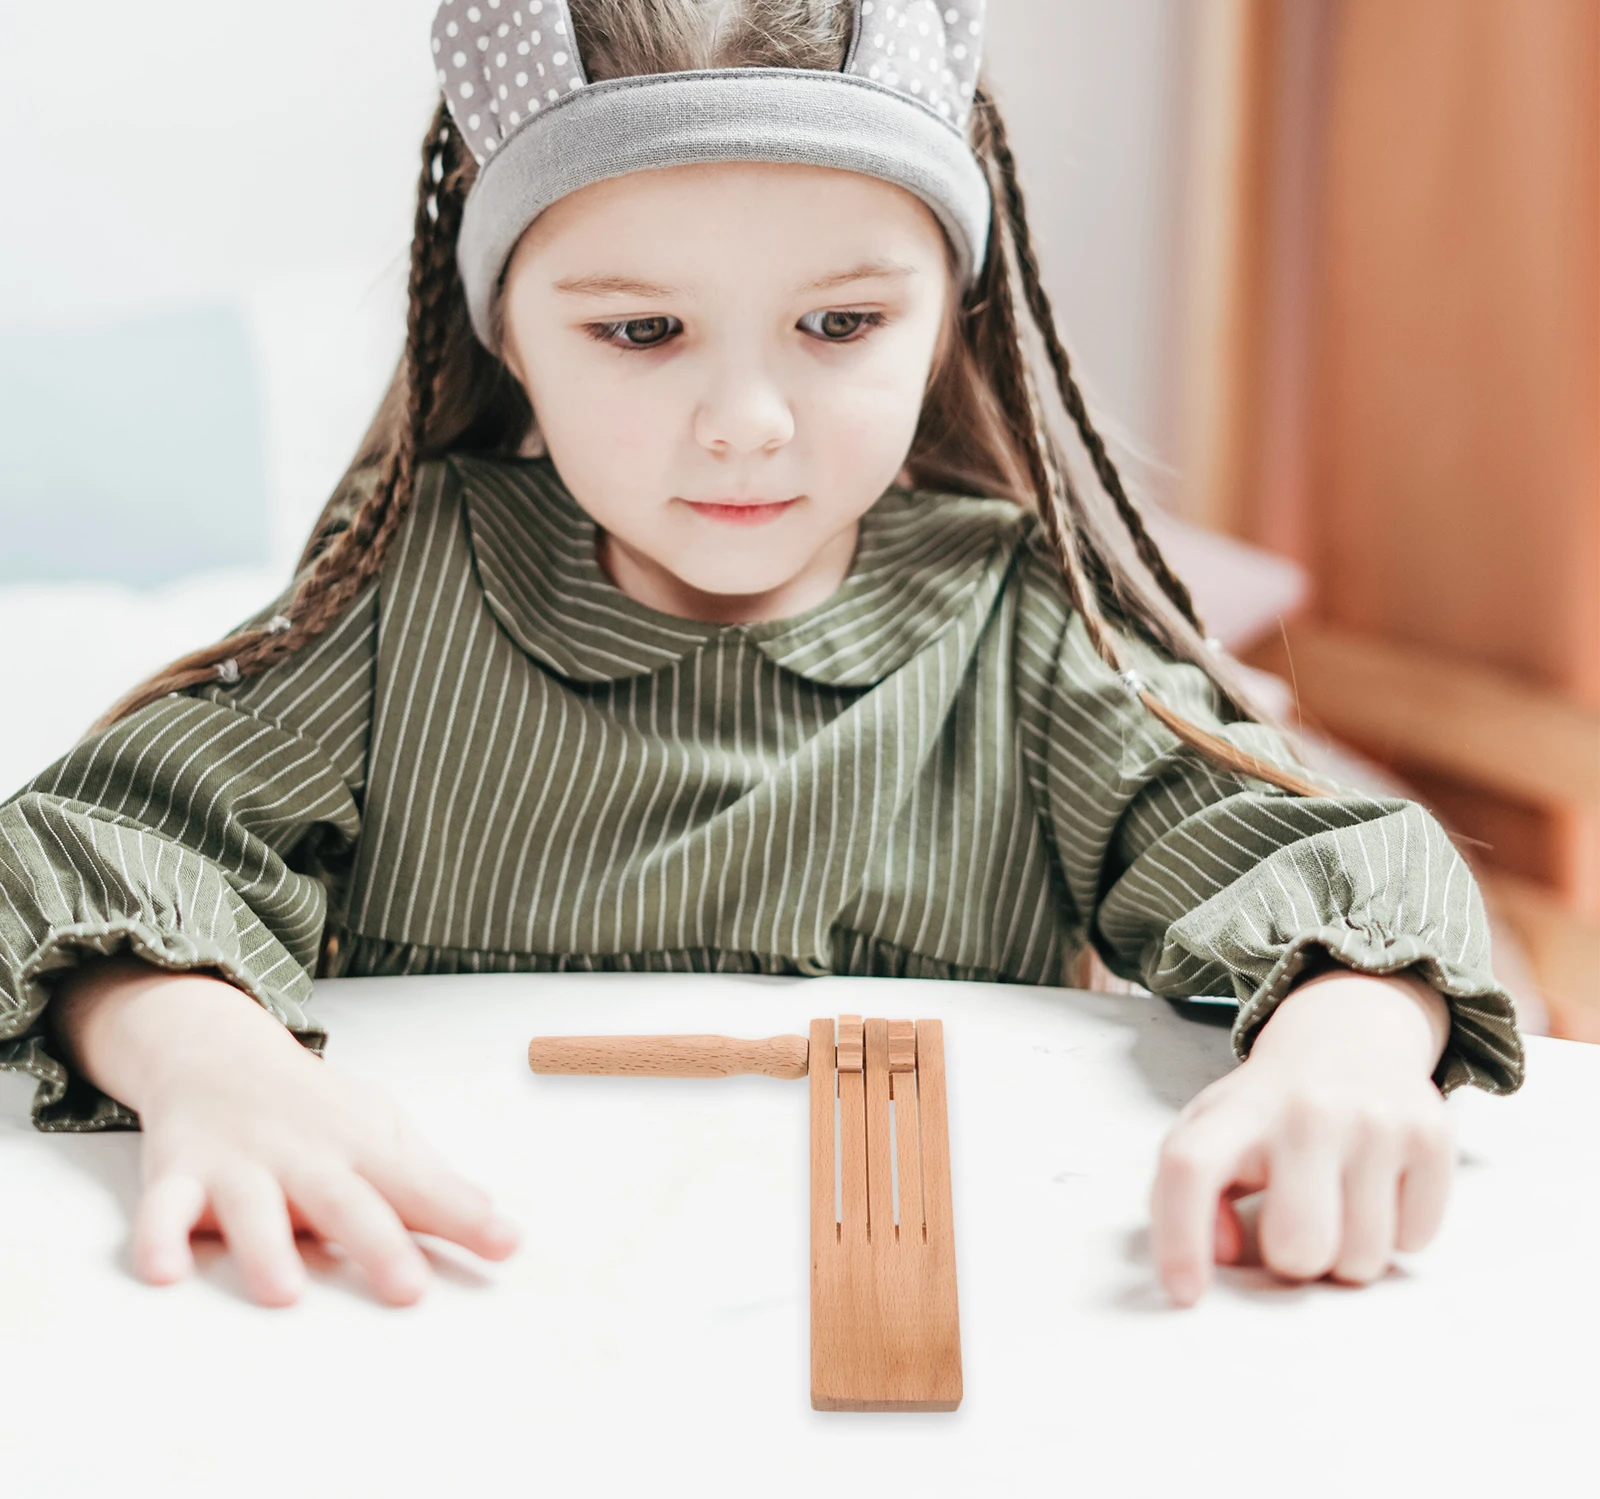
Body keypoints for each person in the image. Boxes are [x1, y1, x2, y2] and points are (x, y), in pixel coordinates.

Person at [0, 0, 1523, 1314]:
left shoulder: (1022, 630)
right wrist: (209, 1060)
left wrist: (1348, 1048)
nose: (748, 420)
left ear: (944, 320)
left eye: (841, 321)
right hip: (463, 1317)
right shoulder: (411, 598)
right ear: (508, 327)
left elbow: (1325, 863)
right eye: (643, 331)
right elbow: (99, 850)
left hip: (919, 1350)